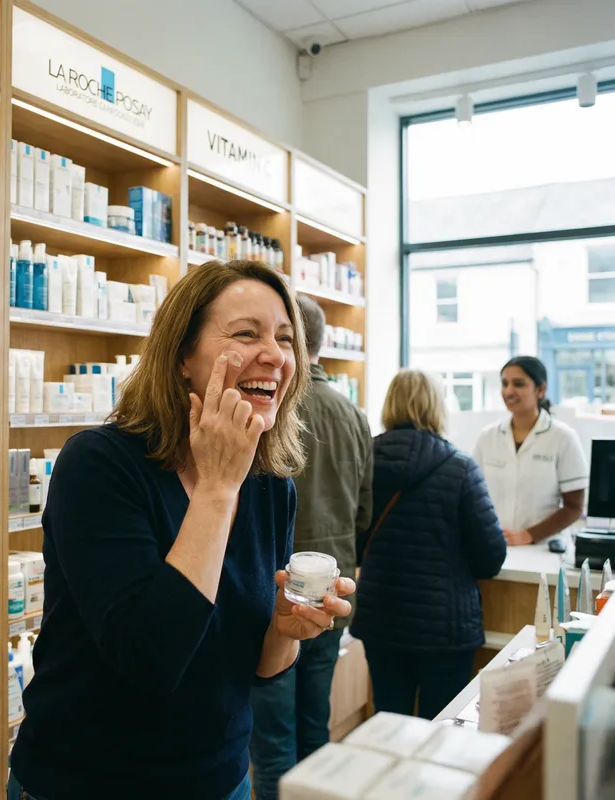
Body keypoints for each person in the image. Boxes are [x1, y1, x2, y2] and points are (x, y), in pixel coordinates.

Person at [8, 260, 356, 800]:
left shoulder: (269, 486)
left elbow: (258, 669)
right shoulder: (98, 466)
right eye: (247, 333)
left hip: (221, 781)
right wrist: (217, 488)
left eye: (286, 338)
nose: (275, 354)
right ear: (181, 359)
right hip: (86, 784)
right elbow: (149, 659)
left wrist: (284, 630)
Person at [249, 294, 373, 800]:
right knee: (315, 726)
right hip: (331, 592)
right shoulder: (353, 413)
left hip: (274, 593)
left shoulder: (271, 406)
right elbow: (364, 510)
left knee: (273, 740)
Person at [350, 369, 506, 720]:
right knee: (441, 729)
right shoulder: (461, 468)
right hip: (444, 627)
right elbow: (490, 558)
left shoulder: (363, 461)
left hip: (382, 620)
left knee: (390, 724)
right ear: (437, 406)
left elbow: (352, 544)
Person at [474, 356, 588, 546]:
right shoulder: (487, 437)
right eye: (504, 383)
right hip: (495, 544)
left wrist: (529, 535)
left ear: (540, 389)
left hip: (542, 547)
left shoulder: (563, 437)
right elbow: (474, 496)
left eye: (518, 384)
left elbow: (574, 507)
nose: (509, 391)